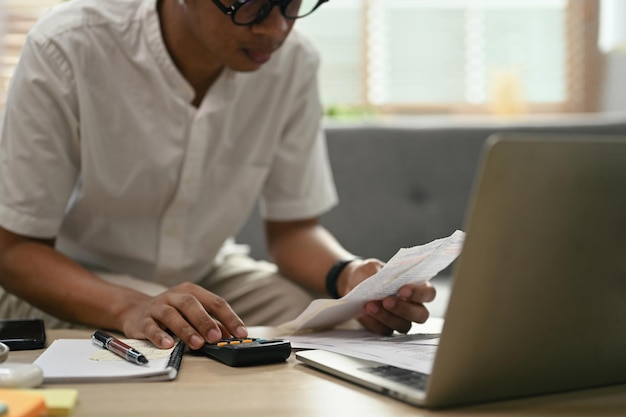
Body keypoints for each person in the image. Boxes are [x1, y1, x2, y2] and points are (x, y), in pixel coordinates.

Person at [0, 0, 436, 351]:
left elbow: (293, 230)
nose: (276, 30)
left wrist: (352, 278)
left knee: (333, 331)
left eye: (290, 4)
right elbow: (14, 251)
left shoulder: (295, 62)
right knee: (178, 342)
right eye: (251, 6)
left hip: (212, 273)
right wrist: (131, 306)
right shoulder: (68, 45)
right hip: (79, 275)